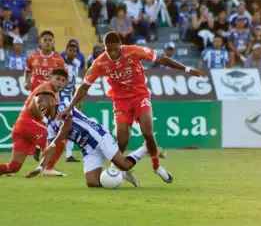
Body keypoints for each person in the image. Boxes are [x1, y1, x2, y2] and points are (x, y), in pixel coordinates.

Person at [57, 31, 205, 183]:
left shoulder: (133, 51)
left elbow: (161, 59)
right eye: (109, 50)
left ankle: (156, 167)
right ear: (105, 48)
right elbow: (84, 87)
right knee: (122, 142)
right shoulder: (100, 63)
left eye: (115, 49)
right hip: (121, 101)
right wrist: (69, 108)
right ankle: (123, 169)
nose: (113, 53)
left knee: (147, 132)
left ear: (120, 45)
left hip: (140, 95)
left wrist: (187, 69)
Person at [25, 99, 150, 188]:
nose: (39, 105)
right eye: (36, 104)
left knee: (124, 164)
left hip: (99, 138)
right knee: (92, 183)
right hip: (88, 149)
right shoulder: (50, 125)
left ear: (51, 101)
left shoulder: (63, 106)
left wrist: (52, 145)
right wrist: (40, 168)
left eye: (41, 101)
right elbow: (49, 150)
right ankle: (122, 175)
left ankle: (145, 148)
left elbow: (66, 127)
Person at [0, 69, 68, 176]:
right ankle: (49, 168)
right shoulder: (46, 89)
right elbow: (32, 107)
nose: (60, 82)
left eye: (63, 80)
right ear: (50, 78)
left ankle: (39, 148)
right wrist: (46, 121)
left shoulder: (53, 93)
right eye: (57, 79)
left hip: (21, 127)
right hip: (29, 123)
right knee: (60, 137)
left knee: (13, 167)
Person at [60, 44, 81, 163]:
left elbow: (73, 85)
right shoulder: (61, 64)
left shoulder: (75, 66)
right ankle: (39, 147)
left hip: (69, 99)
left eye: (74, 51)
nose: (72, 53)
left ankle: (69, 155)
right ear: (66, 51)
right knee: (55, 125)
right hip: (60, 98)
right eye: (70, 50)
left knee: (71, 125)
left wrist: (77, 100)